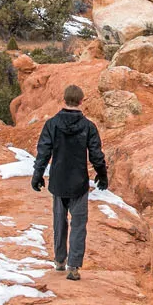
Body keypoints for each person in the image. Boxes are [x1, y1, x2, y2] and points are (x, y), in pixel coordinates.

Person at [30, 84, 107, 280]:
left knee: (59, 221)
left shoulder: (52, 124)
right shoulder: (88, 126)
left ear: (64, 100)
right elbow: (96, 154)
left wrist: (37, 174)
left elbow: (44, 151)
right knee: (79, 224)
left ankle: (59, 261)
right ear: (81, 101)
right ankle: (73, 267)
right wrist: (102, 174)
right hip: (79, 182)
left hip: (58, 181)